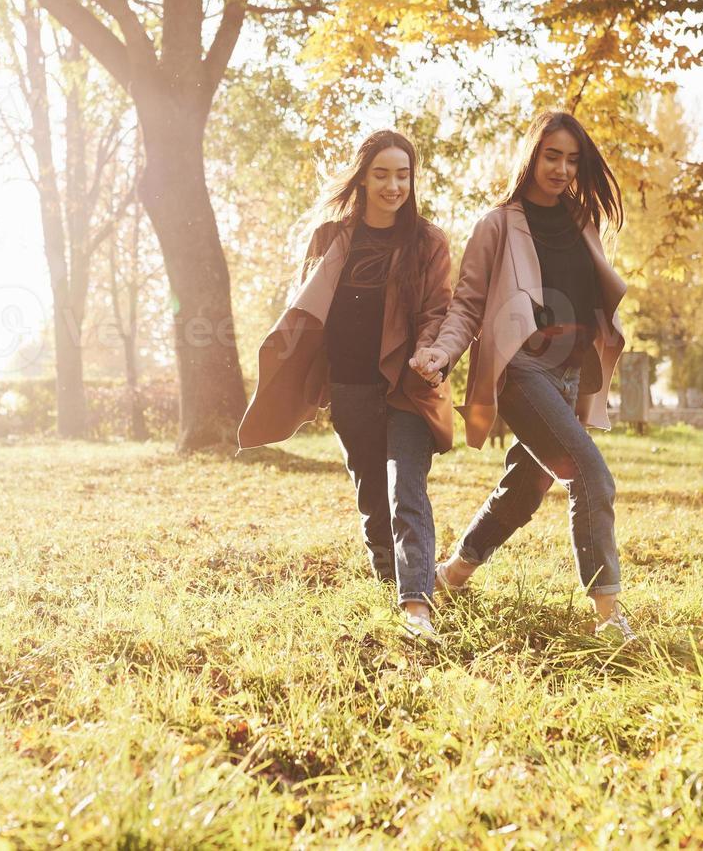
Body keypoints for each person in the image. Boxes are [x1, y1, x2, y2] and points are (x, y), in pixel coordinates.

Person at [409, 110, 637, 644]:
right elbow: (466, 306)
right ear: (531, 156)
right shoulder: (498, 224)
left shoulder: (584, 223)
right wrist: (442, 353)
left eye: (572, 160)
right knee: (590, 474)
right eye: (551, 156)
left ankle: (451, 575)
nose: (561, 169)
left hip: (568, 375)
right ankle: (609, 617)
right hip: (521, 371)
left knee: (527, 485)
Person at [237, 129, 453, 641]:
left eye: (403, 174)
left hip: (407, 384)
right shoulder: (330, 238)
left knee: (406, 487)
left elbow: (437, 309)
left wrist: (429, 351)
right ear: (362, 177)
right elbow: (308, 305)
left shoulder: (428, 241)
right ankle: (387, 572)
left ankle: (416, 601)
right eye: (381, 173)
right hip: (350, 382)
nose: (393, 185)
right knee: (371, 488)